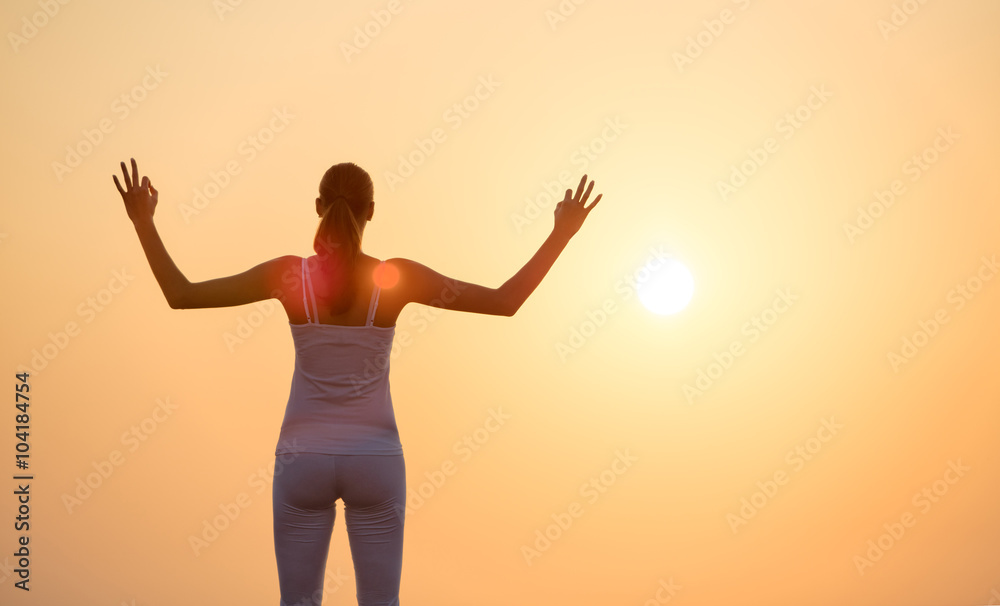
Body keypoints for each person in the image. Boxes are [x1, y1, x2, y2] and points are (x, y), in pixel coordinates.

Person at [113, 157, 602, 606]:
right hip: (376, 463)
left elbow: (181, 294)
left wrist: (143, 222)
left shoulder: (286, 276)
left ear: (319, 207)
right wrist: (563, 233)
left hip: (301, 461)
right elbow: (504, 301)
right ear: (372, 210)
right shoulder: (397, 278)